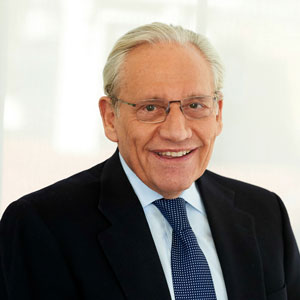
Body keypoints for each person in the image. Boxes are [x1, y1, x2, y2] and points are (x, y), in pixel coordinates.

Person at [0, 22, 299, 300]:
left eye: (195, 105)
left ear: (218, 113)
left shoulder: (265, 213)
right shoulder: (40, 226)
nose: (177, 132)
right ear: (110, 118)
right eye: (151, 107)